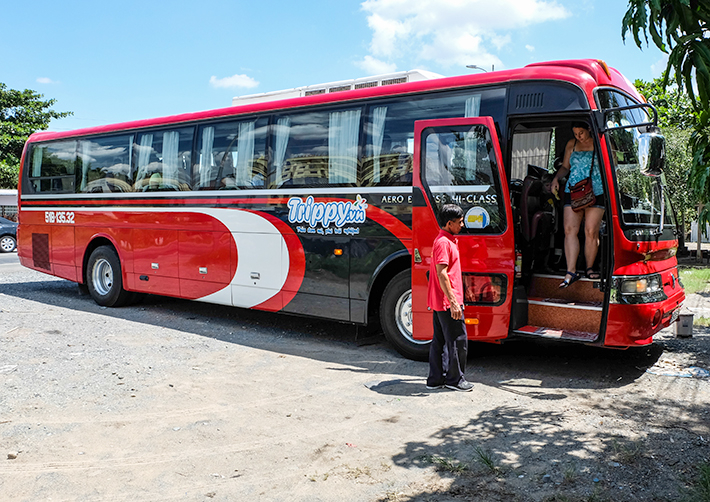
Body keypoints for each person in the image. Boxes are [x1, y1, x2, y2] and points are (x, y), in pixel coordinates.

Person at [550, 122, 605, 288]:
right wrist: (556, 178)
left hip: (596, 191)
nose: (579, 136)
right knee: (569, 230)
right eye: (575, 134)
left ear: (589, 129)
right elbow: (566, 167)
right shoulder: (571, 144)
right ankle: (571, 271)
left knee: (590, 231)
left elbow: (612, 165)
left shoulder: (600, 142)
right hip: (573, 190)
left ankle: (589, 268)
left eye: (581, 133)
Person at [426, 204, 474, 392]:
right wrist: (454, 302)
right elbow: (442, 273)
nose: (462, 225)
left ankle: (435, 379)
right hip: (447, 302)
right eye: (459, 222)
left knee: (439, 340)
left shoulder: (446, 240)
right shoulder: (444, 243)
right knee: (457, 340)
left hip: (441, 300)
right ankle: (455, 380)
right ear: (449, 223)